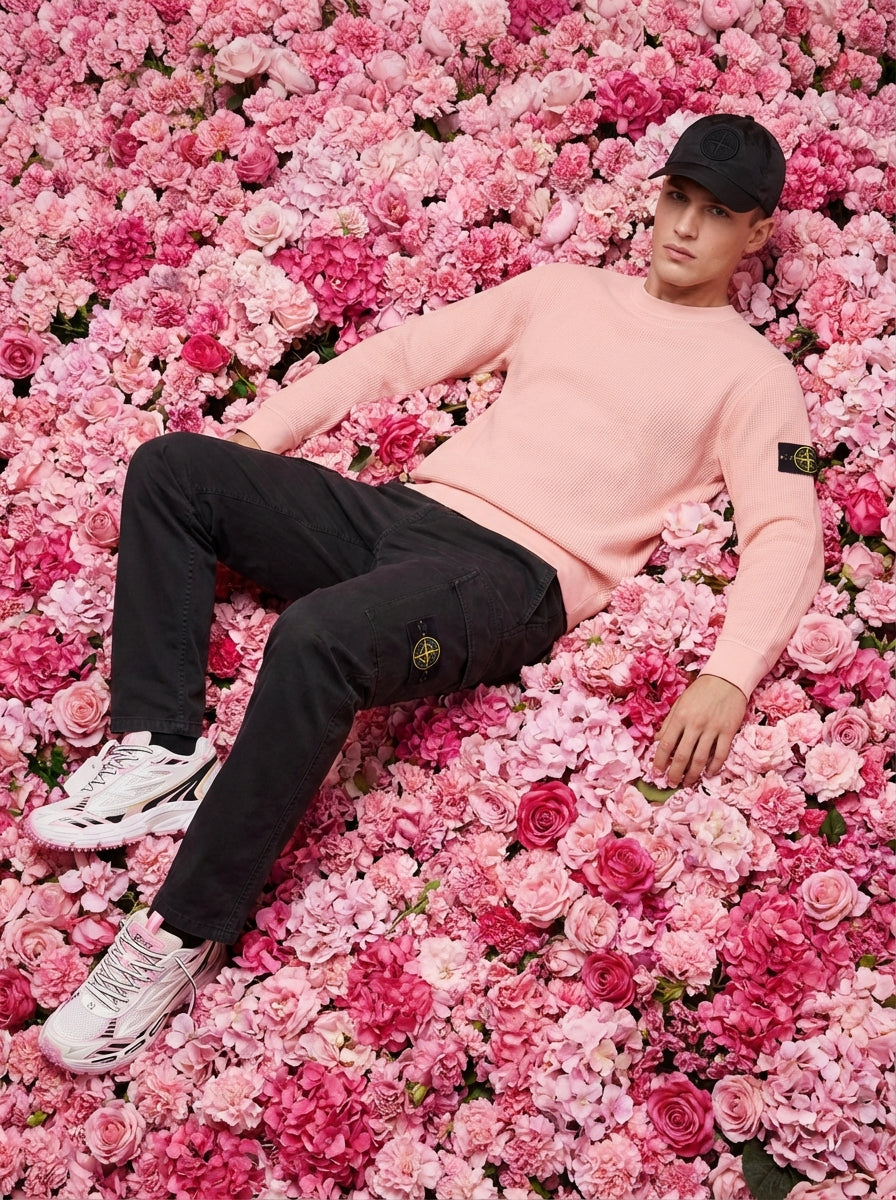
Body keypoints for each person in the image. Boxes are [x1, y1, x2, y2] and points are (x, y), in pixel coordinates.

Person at [29, 113, 823, 1073]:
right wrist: (254, 452)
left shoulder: (754, 377)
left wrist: (729, 674)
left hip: (511, 577)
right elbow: (400, 355)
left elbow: (788, 531)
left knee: (318, 637)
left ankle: (180, 934)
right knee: (175, 469)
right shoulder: (563, 291)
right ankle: (159, 748)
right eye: (678, 198)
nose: (686, 227)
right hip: (403, 516)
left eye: (719, 213)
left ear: (758, 231)